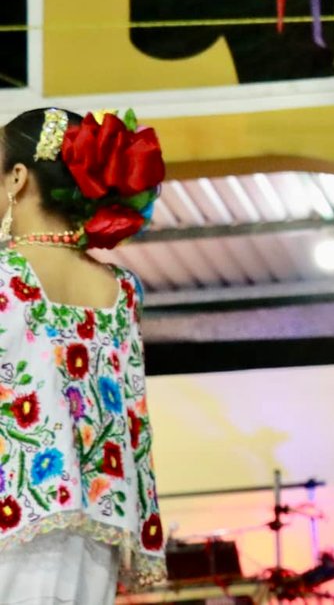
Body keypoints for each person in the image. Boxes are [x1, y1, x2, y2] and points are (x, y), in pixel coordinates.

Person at [0, 107, 166, 602]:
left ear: (17, 178)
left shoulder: (5, 276)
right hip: (96, 533)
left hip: (13, 518)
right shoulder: (121, 289)